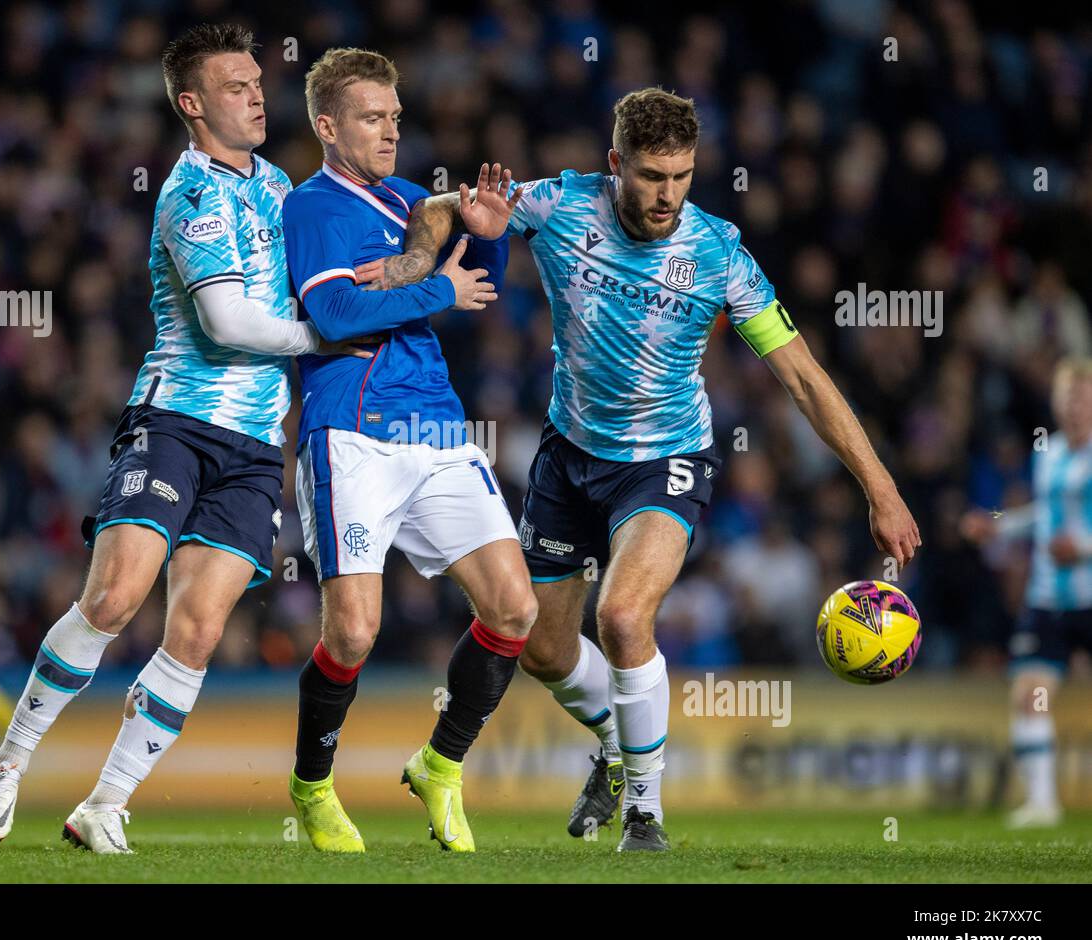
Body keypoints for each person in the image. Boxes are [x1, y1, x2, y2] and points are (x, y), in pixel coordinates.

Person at [369, 86, 921, 852]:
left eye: (682, 176)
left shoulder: (718, 252)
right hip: (568, 457)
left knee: (623, 617)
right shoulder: (560, 204)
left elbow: (802, 377)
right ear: (614, 165)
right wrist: (421, 258)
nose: (667, 195)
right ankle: (615, 743)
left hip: (665, 461)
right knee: (543, 650)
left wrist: (881, 488)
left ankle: (645, 814)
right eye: (651, 176)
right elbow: (439, 205)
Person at [0, 23, 370, 853]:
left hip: (256, 445)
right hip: (177, 419)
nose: (258, 95)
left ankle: (105, 803)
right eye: (236, 86)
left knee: (196, 631)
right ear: (192, 105)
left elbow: (325, 281)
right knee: (114, 599)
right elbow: (227, 324)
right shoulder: (189, 195)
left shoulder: (280, 186)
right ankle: (9, 762)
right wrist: (320, 339)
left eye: (259, 82)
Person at [281, 47, 536, 853]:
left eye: (395, 116)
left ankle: (440, 764)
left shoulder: (409, 199)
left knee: (514, 609)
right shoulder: (312, 206)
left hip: (435, 426)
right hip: (350, 428)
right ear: (328, 125)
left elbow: (475, 289)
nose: (392, 130)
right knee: (353, 632)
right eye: (371, 117)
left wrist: (488, 241)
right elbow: (333, 319)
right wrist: (434, 289)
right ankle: (313, 787)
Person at [961, 356, 1092, 828]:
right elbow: (1043, 515)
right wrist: (997, 524)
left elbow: (1072, 532)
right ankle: (1041, 803)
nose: (1074, 407)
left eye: (1082, 397)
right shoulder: (1050, 453)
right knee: (1029, 693)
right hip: (1048, 599)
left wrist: (1083, 548)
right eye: (1066, 397)